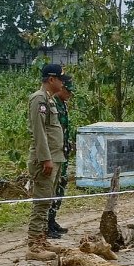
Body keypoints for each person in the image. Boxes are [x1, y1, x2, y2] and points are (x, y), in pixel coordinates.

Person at [27, 63, 67, 261]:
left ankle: (42, 240)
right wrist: (46, 159)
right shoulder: (39, 99)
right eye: (60, 78)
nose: (62, 82)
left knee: (48, 201)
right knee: (41, 203)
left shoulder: (49, 100)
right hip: (45, 160)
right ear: (51, 79)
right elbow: (39, 131)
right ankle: (34, 245)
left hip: (55, 157)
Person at [47, 74, 75, 239]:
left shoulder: (63, 105)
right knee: (51, 189)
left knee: (60, 187)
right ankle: (47, 224)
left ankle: (53, 220)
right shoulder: (51, 104)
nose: (70, 94)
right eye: (68, 91)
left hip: (63, 154)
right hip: (54, 154)